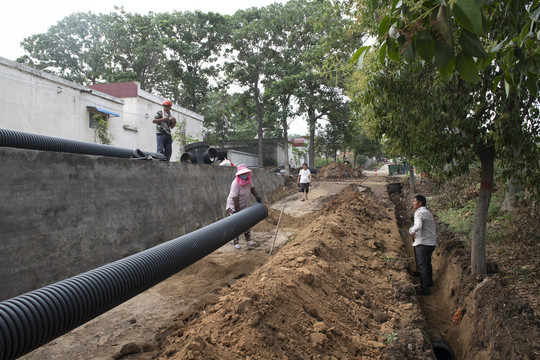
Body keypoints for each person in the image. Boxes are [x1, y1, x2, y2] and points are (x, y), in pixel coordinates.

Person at [226, 164, 262, 250]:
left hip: (243, 205)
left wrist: (257, 197)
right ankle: (236, 242)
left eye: (245, 173)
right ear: (239, 175)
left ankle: (248, 239)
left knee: (246, 222)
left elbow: (252, 188)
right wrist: (238, 211)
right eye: (242, 174)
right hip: (234, 206)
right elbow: (234, 198)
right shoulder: (235, 183)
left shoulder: (249, 180)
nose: (244, 175)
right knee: (236, 224)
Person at [409, 194, 437, 295]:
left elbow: (418, 226)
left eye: (414, 201)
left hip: (423, 243)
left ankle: (425, 289)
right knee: (427, 264)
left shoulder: (419, 213)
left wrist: (411, 230)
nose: (413, 203)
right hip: (431, 243)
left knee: (423, 266)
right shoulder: (427, 212)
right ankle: (429, 282)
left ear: (420, 203)